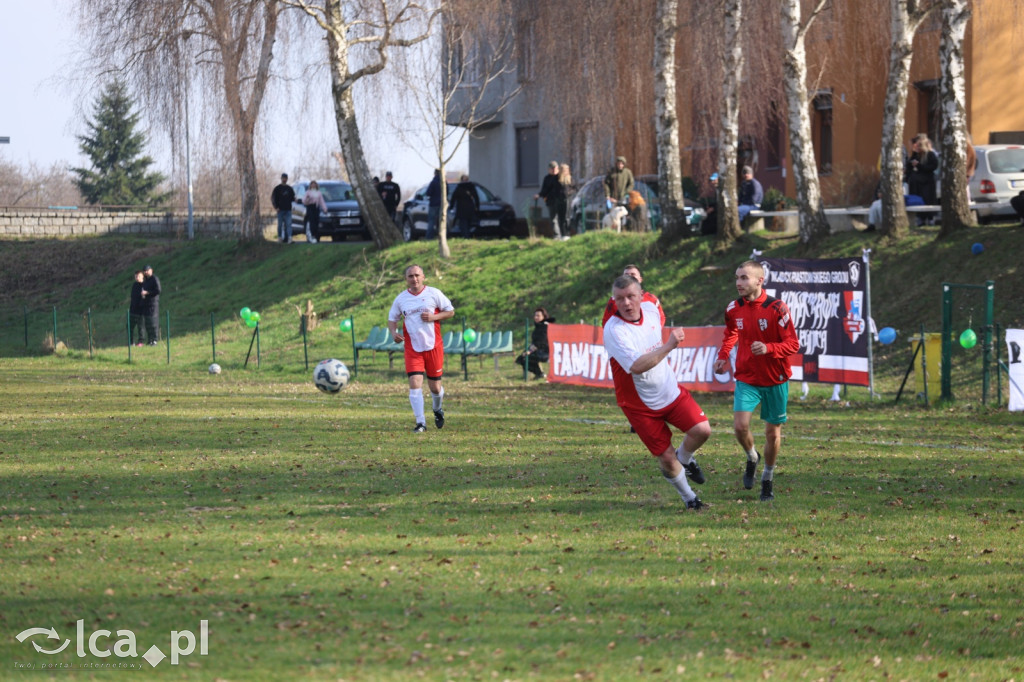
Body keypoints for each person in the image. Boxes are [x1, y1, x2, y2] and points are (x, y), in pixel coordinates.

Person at [603, 275, 711, 511]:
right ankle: (690, 499)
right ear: (614, 300)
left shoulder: (651, 309)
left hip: (669, 389)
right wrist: (669, 345)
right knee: (665, 457)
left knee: (702, 430)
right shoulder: (613, 330)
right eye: (620, 299)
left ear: (642, 296)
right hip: (638, 405)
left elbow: (654, 323)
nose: (627, 303)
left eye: (631, 296)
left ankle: (685, 458)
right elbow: (636, 366)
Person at [713, 260, 800, 502]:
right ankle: (752, 456)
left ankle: (767, 479)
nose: (738, 283)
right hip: (747, 377)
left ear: (759, 280)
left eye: (744, 278)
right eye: (737, 278)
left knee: (773, 434)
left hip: (775, 379)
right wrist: (723, 356)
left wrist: (769, 348)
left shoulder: (777, 308)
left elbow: (793, 344)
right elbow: (730, 332)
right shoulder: (733, 308)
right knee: (740, 427)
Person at [388, 264, 456, 433]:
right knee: (414, 383)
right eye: (410, 276)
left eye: (417, 275)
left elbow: (450, 311)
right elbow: (392, 318)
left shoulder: (434, 293)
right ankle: (421, 423)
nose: (414, 279)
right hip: (412, 348)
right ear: (406, 280)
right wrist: (393, 332)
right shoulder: (401, 299)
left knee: (435, 388)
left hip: (433, 347)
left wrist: (434, 317)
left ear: (423, 276)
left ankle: (437, 409)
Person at [905, 133, 939, 225]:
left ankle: (930, 218)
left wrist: (919, 165)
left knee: (928, 201)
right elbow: (909, 166)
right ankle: (921, 218)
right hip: (917, 184)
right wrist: (914, 154)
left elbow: (932, 167)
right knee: (919, 200)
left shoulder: (930, 155)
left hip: (927, 183)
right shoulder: (916, 155)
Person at [515, 307, 554, 379]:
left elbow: (540, 342)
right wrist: (527, 351)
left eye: (538, 316)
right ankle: (540, 374)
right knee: (521, 358)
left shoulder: (545, 327)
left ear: (544, 317)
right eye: (535, 315)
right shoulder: (538, 327)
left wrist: (529, 351)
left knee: (525, 358)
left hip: (546, 352)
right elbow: (534, 342)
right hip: (538, 350)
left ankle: (540, 374)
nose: (536, 317)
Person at [535, 161, 568, 240]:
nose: (553, 170)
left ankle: (564, 235)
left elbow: (566, 187)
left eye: (555, 168)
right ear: (548, 169)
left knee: (562, 218)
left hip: (560, 200)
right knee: (553, 218)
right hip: (550, 201)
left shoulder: (560, 177)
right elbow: (544, 190)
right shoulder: (547, 179)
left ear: (557, 169)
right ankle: (557, 235)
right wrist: (539, 195)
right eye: (551, 169)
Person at [271, 173, 295, 243]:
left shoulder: (289, 189)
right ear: (281, 179)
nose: (284, 179)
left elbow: (292, 198)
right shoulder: (277, 188)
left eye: (285, 178)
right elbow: (273, 198)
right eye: (283, 178)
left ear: (287, 179)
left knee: (289, 224)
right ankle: (279, 237)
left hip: (288, 209)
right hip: (280, 209)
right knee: (280, 225)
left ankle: (290, 238)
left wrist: (295, 200)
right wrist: (276, 207)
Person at [140, 264, 162, 345]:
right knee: (147, 322)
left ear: (151, 270)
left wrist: (148, 292)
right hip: (146, 303)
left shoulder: (154, 279)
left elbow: (158, 290)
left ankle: (155, 339)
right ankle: (150, 339)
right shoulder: (145, 281)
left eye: (147, 270)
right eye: (144, 271)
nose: (146, 272)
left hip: (153, 303)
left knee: (153, 321)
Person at [129, 270, 146, 346]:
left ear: (142, 276)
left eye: (138, 276)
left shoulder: (145, 285)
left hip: (141, 310)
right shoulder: (134, 285)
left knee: (141, 327)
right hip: (133, 310)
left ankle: (140, 342)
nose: (137, 278)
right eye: (136, 276)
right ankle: (131, 342)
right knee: (129, 327)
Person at [425, 169, 442, 239]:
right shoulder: (444, 182)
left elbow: (428, 193)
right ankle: (441, 236)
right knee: (441, 222)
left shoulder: (433, 182)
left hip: (433, 204)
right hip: (441, 204)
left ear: (435, 173)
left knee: (431, 221)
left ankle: (429, 237)